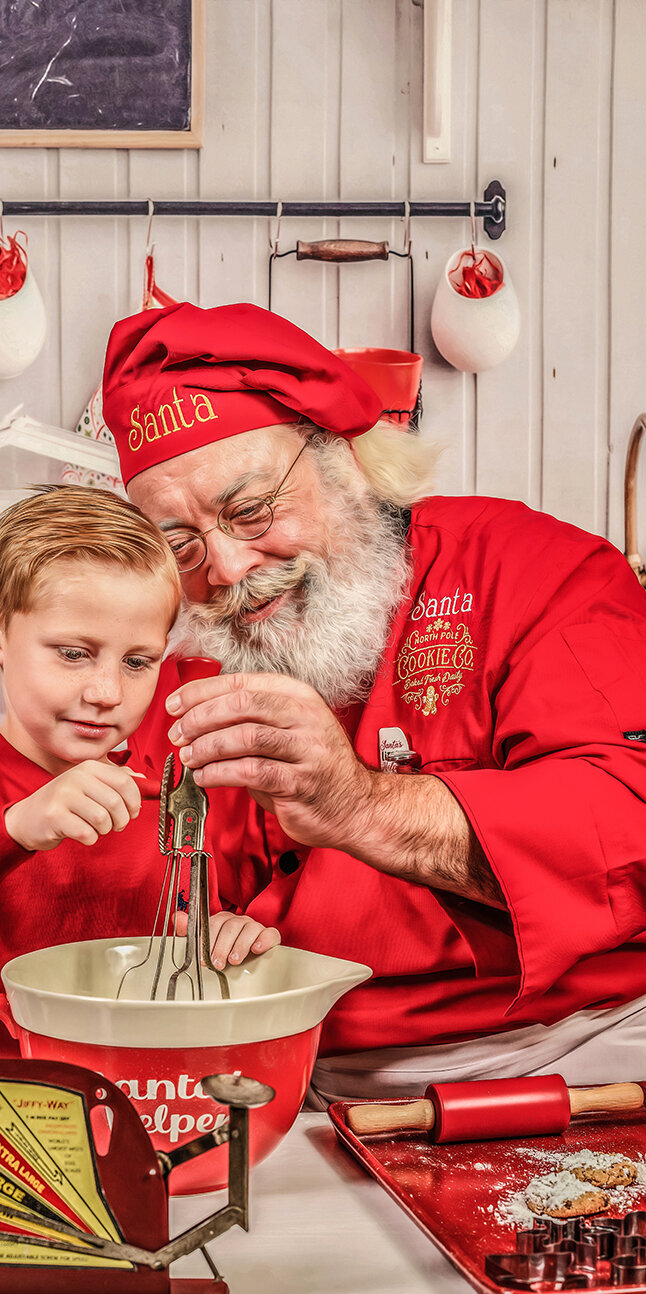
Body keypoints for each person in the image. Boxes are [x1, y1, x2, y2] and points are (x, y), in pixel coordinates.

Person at [99, 301, 646, 1101]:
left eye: (249, 510)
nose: (221, 568)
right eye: (178, 544)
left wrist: (365, 807)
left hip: (571, 1059)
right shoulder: (172, 661)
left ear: (344, 461)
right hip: (283, 1076)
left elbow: (629, 814)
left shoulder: (532, 570)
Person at [0, 486, 279, 1123]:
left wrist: (228, 937)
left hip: (118, 1121)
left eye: (137, 661)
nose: (105, 691)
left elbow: (191, 957)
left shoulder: (177, 802)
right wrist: (11, 831)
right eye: (73, 653)